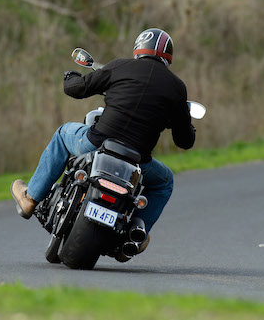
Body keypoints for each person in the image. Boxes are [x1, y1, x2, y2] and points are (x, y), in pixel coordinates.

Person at [11, 28, 195, 255]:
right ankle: (138, 231)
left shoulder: (121, 66)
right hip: (137, 161)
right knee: (165, 181)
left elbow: (76, 89)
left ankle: (31, 198)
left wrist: (71, 77)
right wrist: (184, 122)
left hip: (97, 143)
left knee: (62, 134)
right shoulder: (177, 89)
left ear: (138, 47)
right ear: (169, 56)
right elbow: (185, 141)